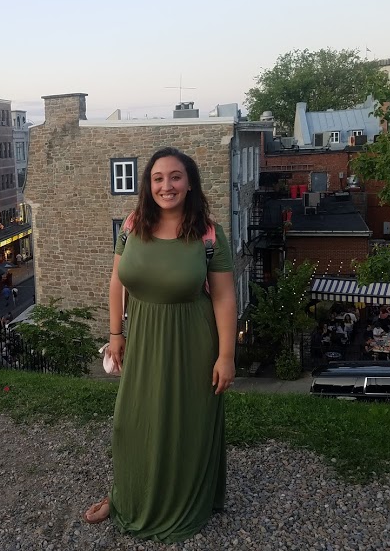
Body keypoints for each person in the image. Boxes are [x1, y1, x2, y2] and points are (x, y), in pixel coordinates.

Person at [82, 147, 237, 543]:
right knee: (131, 422)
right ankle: (128, 498)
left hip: (193, 339)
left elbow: (222, 297)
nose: (166, 185)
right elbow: (117, 281)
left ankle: (185, 501)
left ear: (189, 183)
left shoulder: (208, 233)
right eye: (157, 178)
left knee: (187, 424)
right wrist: (116, 335)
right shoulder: (133, 225)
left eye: (175, 177)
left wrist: (226, 355)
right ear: (148, 185)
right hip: (145, 334)